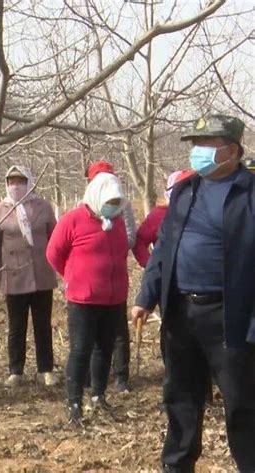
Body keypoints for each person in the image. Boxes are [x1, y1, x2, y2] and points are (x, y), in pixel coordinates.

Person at [132, 115, 255, 473]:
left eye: (207, 144)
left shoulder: (248, 194)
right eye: (195, 144)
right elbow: (163, 250)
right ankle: (177, 465)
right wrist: (146, 296)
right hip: (181, 315)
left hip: (230, 317)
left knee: (242, 404)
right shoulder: (186, 192)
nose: (197, 152)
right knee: (180, 398)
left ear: (231, 150)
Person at [46, 172, 129, 422]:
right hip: (83, 300)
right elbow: (53, 253)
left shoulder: (118, 221)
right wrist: (72, 276)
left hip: (114, 298)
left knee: (104, 348)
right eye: (109, 201)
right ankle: (74, 403)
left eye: (116, 202)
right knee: (81, 349)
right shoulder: (73, 220)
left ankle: (98, 395)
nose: (112, 206)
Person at [0, 165, 58, 387]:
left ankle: (45, 369)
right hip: (14, 275)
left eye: (20, 181)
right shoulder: (0, 210)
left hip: (41, 275)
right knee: (16, 325)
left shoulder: (43, 207)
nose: (16, 186)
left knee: (42, 324)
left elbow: (55, 238)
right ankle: (15, 370)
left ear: (29, 182)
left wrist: (59, 267)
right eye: (11, 182)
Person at [86, 160, 135, 393]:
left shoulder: (122, 205)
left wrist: (113, 250)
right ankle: (91, 377)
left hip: (115, 279)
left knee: (118, 331)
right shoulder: (84, 206)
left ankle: (121, 376)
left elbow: (131, 236)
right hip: (89, 283)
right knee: (88, 331)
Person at [133, 170, 190, 268]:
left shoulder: (201, 211)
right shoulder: (159, 214)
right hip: (168, 274)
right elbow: (140, 241)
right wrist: (150, 265)